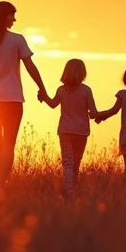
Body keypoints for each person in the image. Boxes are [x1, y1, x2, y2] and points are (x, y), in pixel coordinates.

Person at [0, 1, 48, 190]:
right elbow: (30, 67)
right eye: (12, 15)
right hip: (11, 99)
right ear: (4, 16)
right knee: (8, 144)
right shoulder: (17, 40)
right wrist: (42, 88)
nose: (14, 19)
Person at [43, 58, 97, 197]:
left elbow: (53, 104)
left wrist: (44, 96)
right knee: (76, 162)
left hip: (65, 131)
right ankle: (72, 187)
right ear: (83, 73)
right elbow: (94, 112)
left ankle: (69, 189)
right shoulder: (86, 90)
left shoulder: (61, 90)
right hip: (81, 131)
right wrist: (106, 114)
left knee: (67, 162)